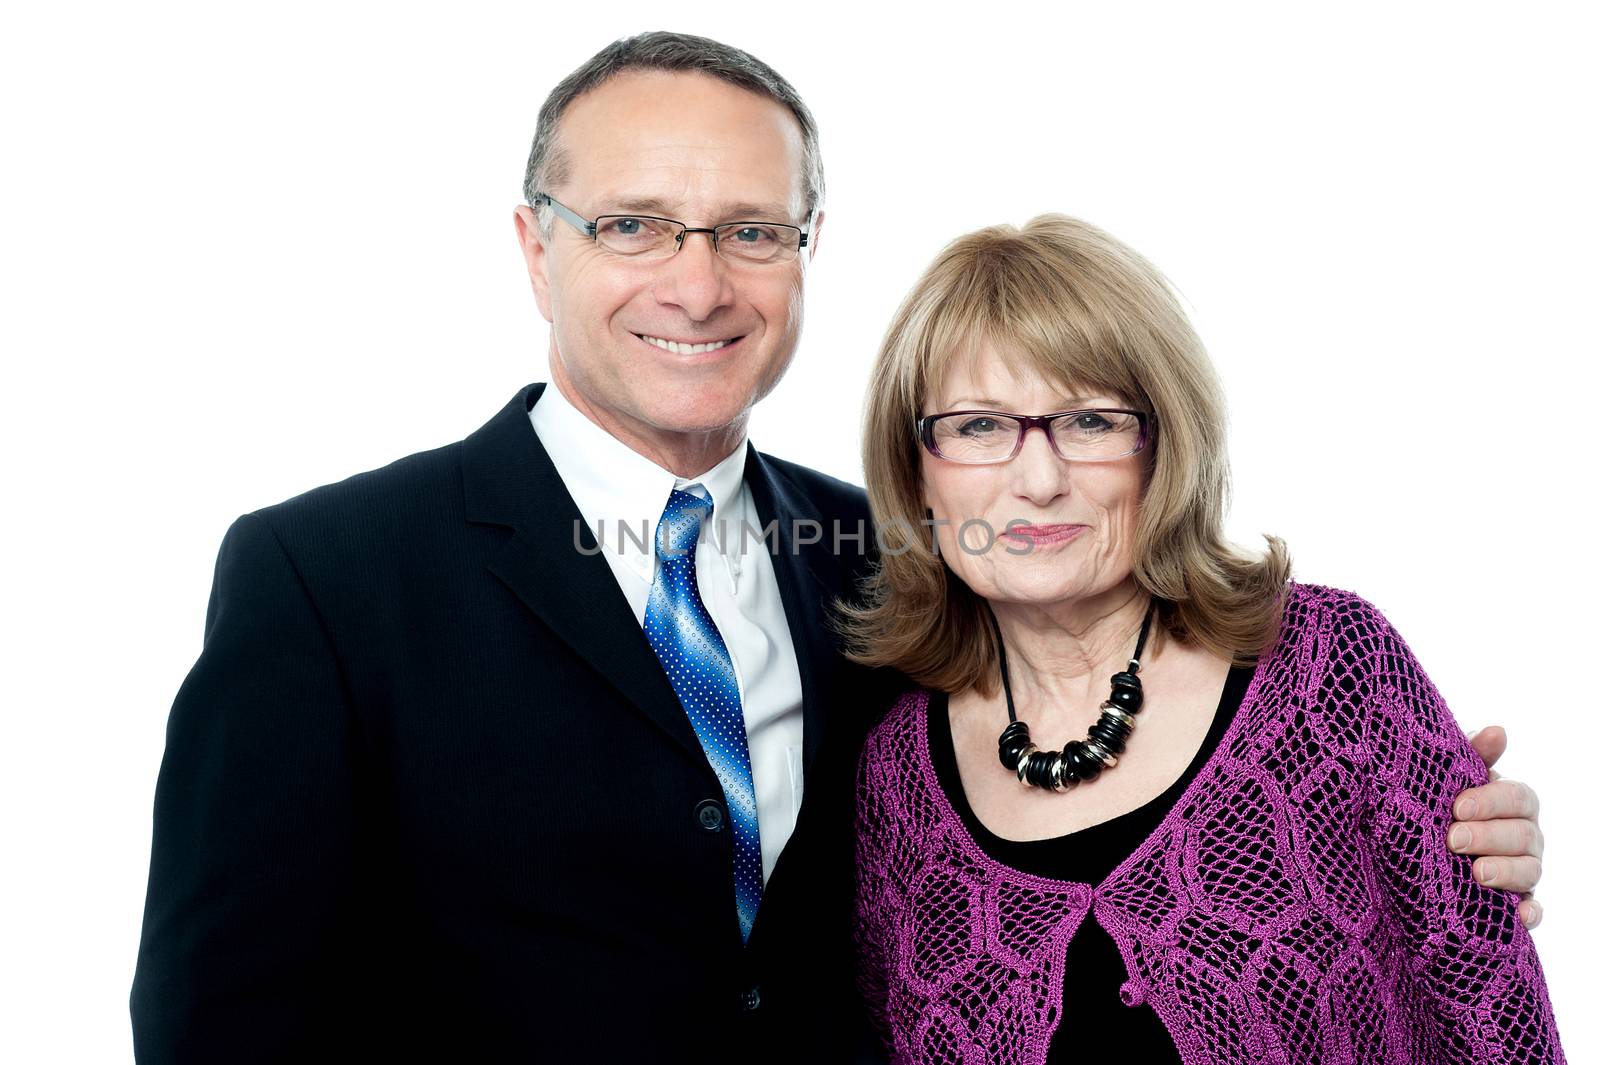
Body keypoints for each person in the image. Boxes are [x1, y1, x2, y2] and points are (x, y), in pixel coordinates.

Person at [129, 32, 1546, 1063]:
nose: (698, 281)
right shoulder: (327, 579)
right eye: (634, 223)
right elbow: (218, 1026)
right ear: (533, 245)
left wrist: (1426, 844)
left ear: (808, 249)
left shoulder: (904, 563)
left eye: (752, 229)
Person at [846, 215, 1563, 1062]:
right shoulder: (894, 777)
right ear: (916, 467)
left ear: (1163, 445)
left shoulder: (1331, 667)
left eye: (1091, 422)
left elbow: (1496, 1017)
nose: (1038, 480)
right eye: (977, 427)